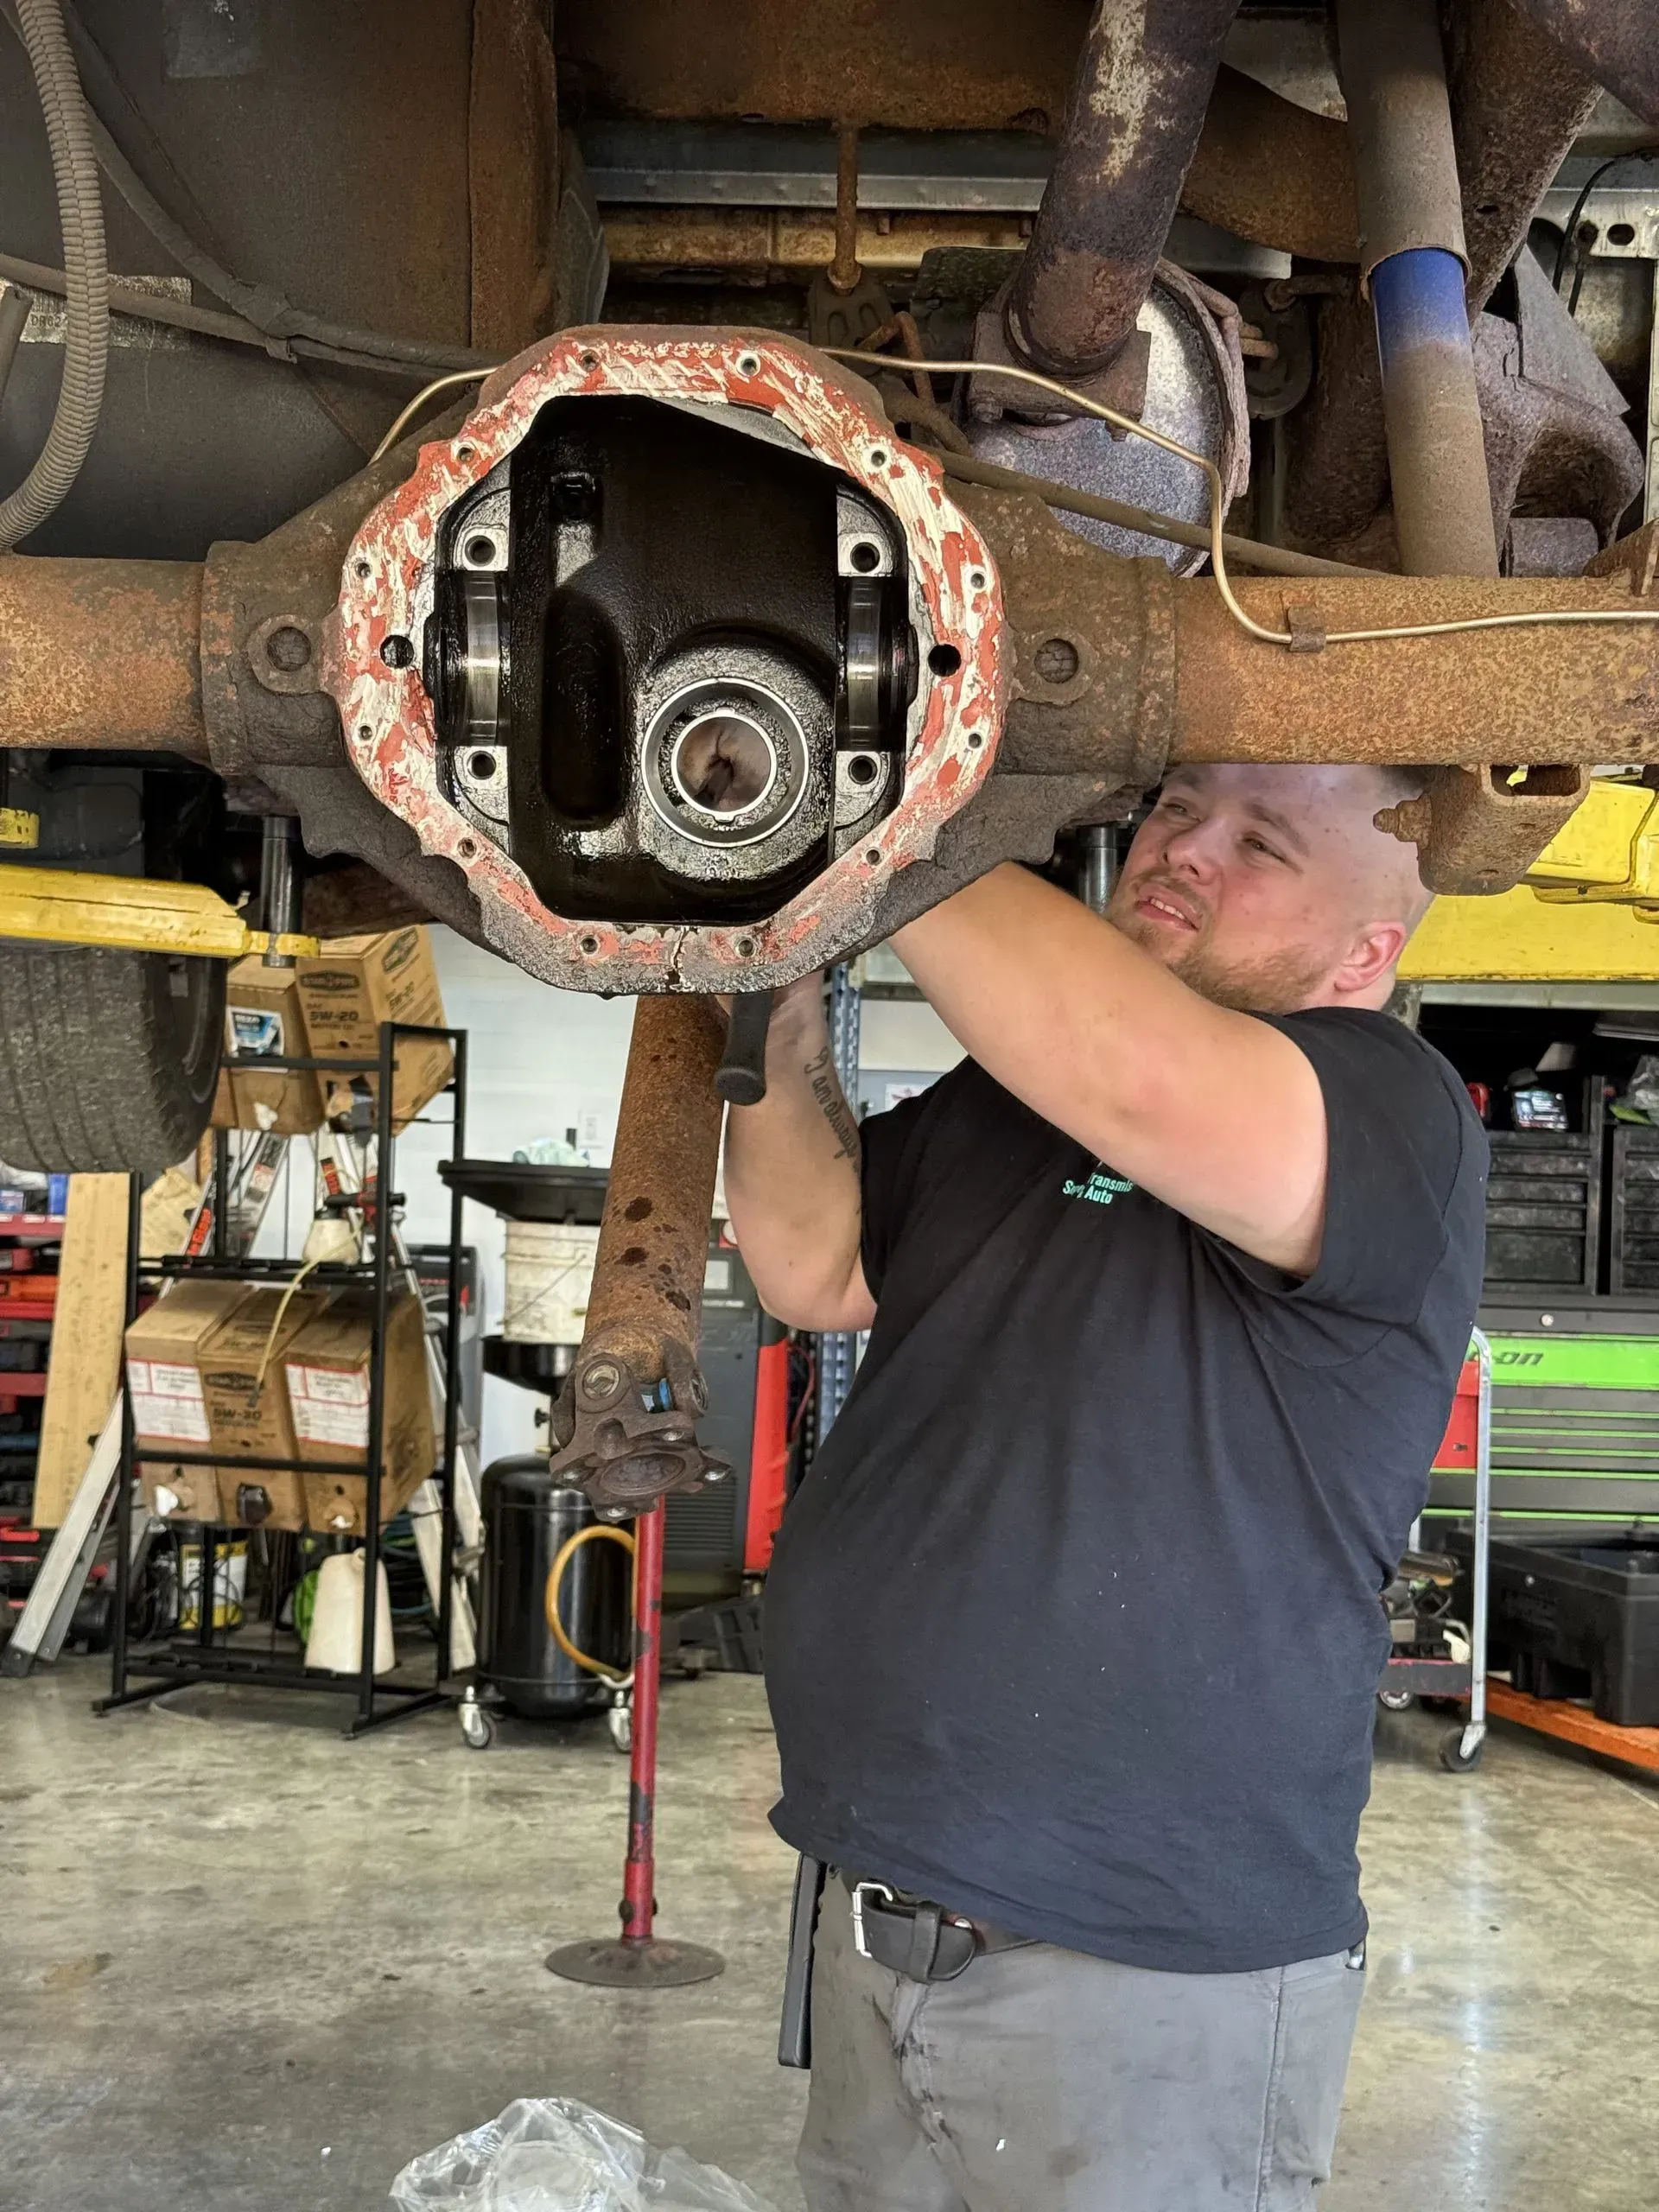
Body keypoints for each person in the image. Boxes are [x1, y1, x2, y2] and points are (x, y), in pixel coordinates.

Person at [721, 763, 1488, 2212]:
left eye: (1259, 845)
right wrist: (755, 987)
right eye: (1180, 807)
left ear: (1365, 954)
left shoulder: (1394, 1110)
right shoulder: (1017, 1102)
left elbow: (1140, 1072)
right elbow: (814, 1264)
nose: (1184, 851)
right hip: (880, 1911)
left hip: (1144, 1977)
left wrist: (825, 810)